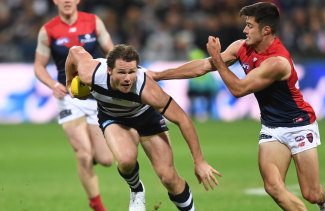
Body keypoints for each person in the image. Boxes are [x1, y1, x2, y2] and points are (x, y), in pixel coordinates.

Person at [148, 2, 325, 211]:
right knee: (273, 187)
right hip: (272, 127)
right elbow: (203, 66)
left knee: (311, 193)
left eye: (250, 26)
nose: (245, 30)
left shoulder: (277, 62)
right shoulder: (241, 47)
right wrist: (157, 75)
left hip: (299, 125)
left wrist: (218, 60)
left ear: (266, 30)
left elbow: (238, 89)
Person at [65, 44, 222, 211]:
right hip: (113, 118)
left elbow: (183, 119)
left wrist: (199, 161)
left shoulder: (148, 89)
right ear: (109, 70)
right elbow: (74, 51)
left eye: (132, 72)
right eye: (122, 72)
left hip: (146, 118)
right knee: (125, 160)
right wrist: (69, 82)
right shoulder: (90, 73)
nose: (127, 78)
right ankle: (136, 190)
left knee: (169, 178)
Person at [33, 0, 114, 210]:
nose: (67, 0)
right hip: (68, 97)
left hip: (95, 97)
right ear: (55, 1)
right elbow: (39, 66)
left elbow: (111, 52)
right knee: (84, 154)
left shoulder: (94, 22)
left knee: (106, 159)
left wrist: (113, 74)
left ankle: (86, 160)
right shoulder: (48, 31)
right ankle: (97, 205)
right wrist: (52, 84)